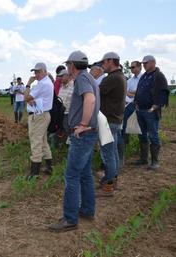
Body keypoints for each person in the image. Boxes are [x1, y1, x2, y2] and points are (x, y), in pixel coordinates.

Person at [48, 50, 100, 232]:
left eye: (68, 65)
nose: (68, 68)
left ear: (72, 65)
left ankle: (70, 219)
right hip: (89, 134)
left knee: (71, 175)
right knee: (84, 174)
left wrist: (83, 123)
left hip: (83, 135)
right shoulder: (90, 78)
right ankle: (86, 210)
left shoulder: (81, 79)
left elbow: (90, 99)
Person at [97, 52, 126, 197]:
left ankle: (108, 186)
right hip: (114, 120)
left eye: (104, 62)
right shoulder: (120, 76)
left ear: (110, 61)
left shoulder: (112, 78)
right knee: (112, 153)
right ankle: (112, 180)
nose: (102, 65)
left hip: (108, 121)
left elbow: (96, 92)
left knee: (107, 154)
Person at [133, 55, 169, 170]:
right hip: (140, 110)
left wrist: (155, 106)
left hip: (151, 111)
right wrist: (136, 103)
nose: (144, 65)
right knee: (142, 134)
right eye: (143, 63)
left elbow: (164, 93)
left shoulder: (159, 76)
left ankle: (155, 162)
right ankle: (143, 159)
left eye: (146, 63)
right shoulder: (144, 76)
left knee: (153, 135)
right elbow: (139, 90)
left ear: (153, 62)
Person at [24, 63, 54, 178]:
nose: (35, 74)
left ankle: (34, 173)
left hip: (38, 116)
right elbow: (30, 98)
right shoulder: (47, 82)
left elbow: (26, 97)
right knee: (42, 141)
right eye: (35, 72)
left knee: (36, 141)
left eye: (37, 72)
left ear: (44, 71)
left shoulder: (42, 84)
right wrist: (30, 99)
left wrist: (28, 84)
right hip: (42, 114)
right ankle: (49, 166)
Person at [117, 61, 143, 166]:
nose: (132, 69)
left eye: (133, 67)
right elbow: (127, 93)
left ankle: (143, 156)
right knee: (124, 126)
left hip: (140, 105)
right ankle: (123, 150)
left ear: (139, 67)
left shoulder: (143, 78)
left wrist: (133, 93)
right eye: (130, 67)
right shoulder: (130, 80)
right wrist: (133, 93)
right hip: (129, 105)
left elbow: (141, 92)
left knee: (142, 130)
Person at [56, 69, 74, 144]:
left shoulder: (74, 85)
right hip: (62, 112)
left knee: (70, 130)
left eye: (62, 76)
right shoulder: (62, 86)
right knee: (64, 129)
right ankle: (66, 145)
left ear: (67, 76)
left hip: (69, 113)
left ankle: (72, 145)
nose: (60, 78)